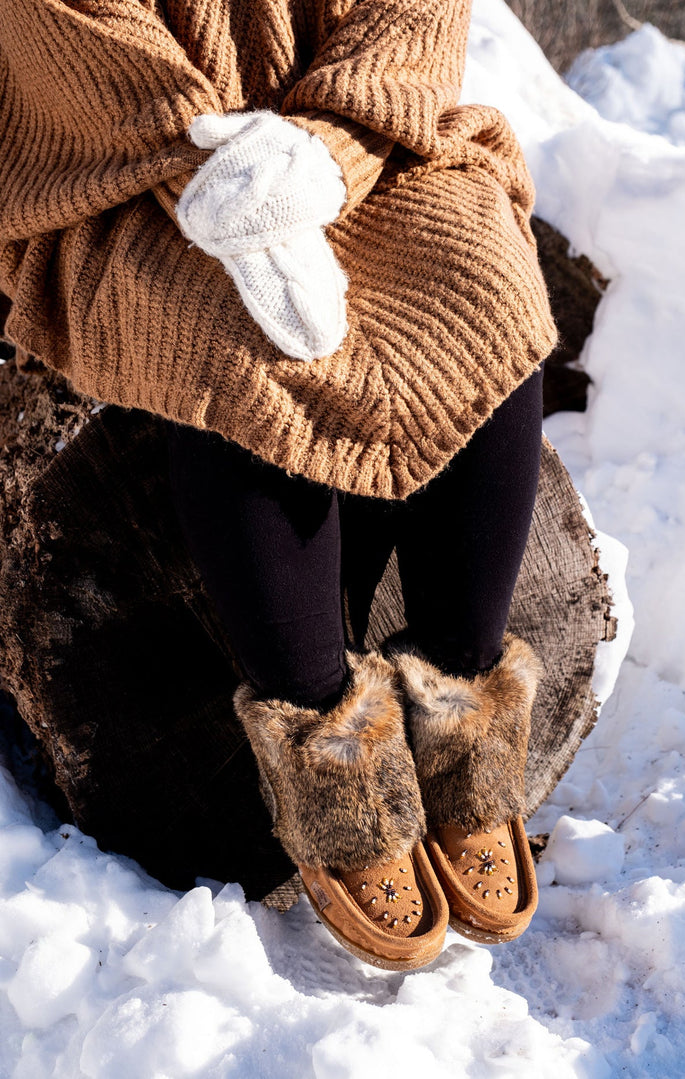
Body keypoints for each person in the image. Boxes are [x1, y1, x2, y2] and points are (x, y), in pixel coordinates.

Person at [0, 0, 556, 969]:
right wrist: (232, 178)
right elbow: (69, 40)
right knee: (239, 344)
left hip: (357, 138)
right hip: (140, 166)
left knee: (484, 277)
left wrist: (320, 157)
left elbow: (412, 19)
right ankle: (334, 766)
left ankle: (461, 712)